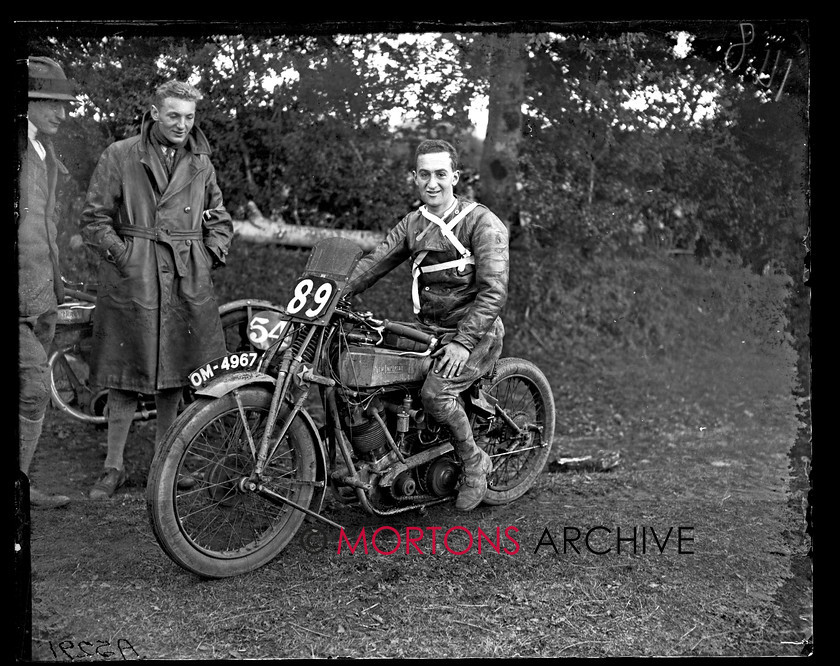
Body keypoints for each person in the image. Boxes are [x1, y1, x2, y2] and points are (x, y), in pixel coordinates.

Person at [80, 80, 234, 499]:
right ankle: (112, 467)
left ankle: (161, 465)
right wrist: (124, 255)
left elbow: (218, 215)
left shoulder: (201, 162)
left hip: (185, 276)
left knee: (174, 375)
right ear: (153, 112)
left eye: (189, 117)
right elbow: (94, 218)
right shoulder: (121, 154)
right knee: (124, 376)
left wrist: (210, 254)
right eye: (173, 116)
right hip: (136, 276)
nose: (182, 125)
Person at [343, 139, 510, 511]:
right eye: (424, 175)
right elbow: (375, 262)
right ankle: (386, 459)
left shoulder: (482, 222)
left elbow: (494, 293)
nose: (432, 183)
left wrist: (463, 342)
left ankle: (473, 464)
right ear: (415, 177)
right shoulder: (414, 223)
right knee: (368, 369)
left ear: (455, 176)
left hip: (474, 334)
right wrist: (335, 294)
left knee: (435, 394)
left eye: (440, 174)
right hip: (428, 331)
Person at [17, 56, 81, 509]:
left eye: (64, 104)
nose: (62, 113)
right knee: (36, 384)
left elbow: (46, 222)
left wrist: (56, 283)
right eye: (51, 103)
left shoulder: (43, 150)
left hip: (40, 293)